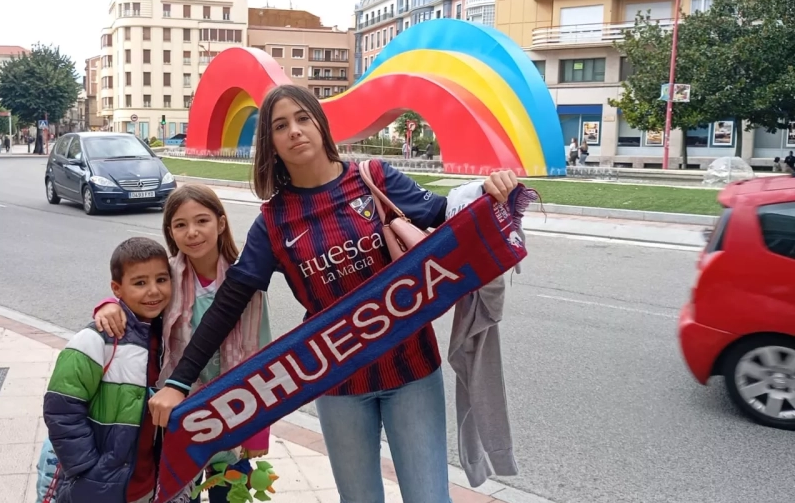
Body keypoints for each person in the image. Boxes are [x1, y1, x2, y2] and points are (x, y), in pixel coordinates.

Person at [95, 84, 518, 503]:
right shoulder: (274, 220)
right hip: (337, 382)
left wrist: (489, 191)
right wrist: (178, 382)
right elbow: (229, 302)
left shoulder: (374, 179)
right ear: (271, 143)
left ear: (320, 124)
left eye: (302, 118)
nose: (294, 131)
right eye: (280, 126)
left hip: (412, 370)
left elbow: (447, 216)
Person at [93, 184, 273, 503]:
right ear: (170, 233)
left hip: (233, 411)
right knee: (179, 494)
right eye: (180, 224)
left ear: (220, 223)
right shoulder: (168, 279)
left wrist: (259, 429)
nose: (192, 232)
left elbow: (261, 354)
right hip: (178, 414)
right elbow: (136, 303)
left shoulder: (246, 282)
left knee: (230, 494)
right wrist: (108, 305)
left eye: (202, 221)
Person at [43, 237, 173, 503]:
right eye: (140, 283)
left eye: (161, 279)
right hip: (100, 486)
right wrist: (87, 470)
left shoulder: (169, 336)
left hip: (148, 483)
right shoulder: (97, 339)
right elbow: (61, 408)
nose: (153, 291)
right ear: (117, 288)